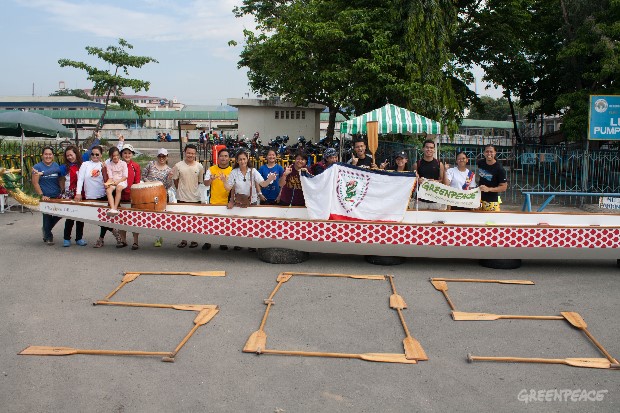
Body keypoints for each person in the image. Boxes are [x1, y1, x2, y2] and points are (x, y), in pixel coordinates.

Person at [225, 150, 276, 251]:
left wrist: (269, 179)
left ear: (247, 159)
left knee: (252, 224)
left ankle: (251, 245)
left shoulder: (253, 171)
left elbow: (263, 184)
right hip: (239, 202)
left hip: (252, 202)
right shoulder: (234, 172)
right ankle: (239, 243)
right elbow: (229, 188)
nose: (242, 161)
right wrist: (224, 182)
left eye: (244, 159)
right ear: (237, 161)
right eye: (240, 159)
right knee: (239, 224)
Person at [75, 146, 122, 248]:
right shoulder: (85, 164)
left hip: (102, 195)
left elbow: (114, 154)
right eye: (92, 154)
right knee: (94, 219)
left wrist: (120, 143)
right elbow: (80, 179)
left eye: (97, 154)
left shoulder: (104, 164)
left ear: (101, 155)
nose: (94, 156)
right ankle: (114, 231)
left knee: (103, 219)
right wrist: (78, 193)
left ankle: (101, 239)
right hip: (90, 196)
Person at [172, 144, 204, 248]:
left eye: (193, 153)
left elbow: (199, 181)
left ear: (195, 154)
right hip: (182, 197)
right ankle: (184, 240)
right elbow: (175, 180)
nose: (190, 155)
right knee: (183, 220)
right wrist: (181, 190)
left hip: (195, 197)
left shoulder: (199, 166)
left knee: (194, 220)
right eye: (188, 153)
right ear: (185, 153)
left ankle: (194, 240)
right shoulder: (178, 166)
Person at [202, 147, 233, 250]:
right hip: (213, 201)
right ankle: (208, 242)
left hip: (226, 202)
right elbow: (206, 183)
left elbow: (234, 187)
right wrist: (210, 180)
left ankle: (222, 242)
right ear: (218, 157)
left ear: (229, 158)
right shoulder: (211, 169)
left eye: (226, 156)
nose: (223, 158)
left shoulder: (232, 171)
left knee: (224, 224)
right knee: (210, 223)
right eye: (221, 156)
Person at [142, 148, 173, 247]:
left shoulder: (169, 170)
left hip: (160, 195)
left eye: (163, 156)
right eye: (160, 156)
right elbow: (143, 175)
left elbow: (168, 185)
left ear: (167, 157)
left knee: (159, 217)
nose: (161, 158)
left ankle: (158, 237)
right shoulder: (151, 164)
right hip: (148, 193)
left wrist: (169, 178)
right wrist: (149, 183)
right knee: (149, 215)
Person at [32, 146, 62, 245]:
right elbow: (35, 183)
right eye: (46, 154)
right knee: (47, 216)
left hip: (57, 195)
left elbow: (60, 179)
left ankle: (46, 229)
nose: (48, 156)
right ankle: (48, 237)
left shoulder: (56, 165)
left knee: (60, 214)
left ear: (53, 156)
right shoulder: (37, 167)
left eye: (50, 154)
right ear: (42, 155)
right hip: (46, 196)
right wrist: (42, 195)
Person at [58, 145, 87, 247]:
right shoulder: (64, 167)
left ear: (76, 154)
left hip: (81, 194)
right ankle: (66, 238)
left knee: (80, 218)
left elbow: (91, 151)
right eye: (67, 156)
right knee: (70, 218)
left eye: (71, 155)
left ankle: (79, 238)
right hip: (70, 195)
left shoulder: (83, 164)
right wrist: (41, 173)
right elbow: (55, 172)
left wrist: (97, 139)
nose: (70, 157)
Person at [117, 144, 141, 250]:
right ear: (121, 154)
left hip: (132, 197)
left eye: (129, 153)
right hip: (120, 196)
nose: (127, 155)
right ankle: (123, 240)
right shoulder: (117, 165)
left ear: (132, 154)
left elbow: (137, 182)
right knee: (121, 219)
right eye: (125, 153)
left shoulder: (135, 166)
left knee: (134, 220)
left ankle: (135, 242)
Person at [413, 139, 446, 210]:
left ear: (434, 150)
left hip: (435, 200)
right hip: (420, 200)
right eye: (427, 147)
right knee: (418, 217)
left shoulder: (439, 164)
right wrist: (418, 180)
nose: (429, 149)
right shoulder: (417, 164)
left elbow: (442, 180)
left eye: (431, 148)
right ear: (423, 149)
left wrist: (435, 182)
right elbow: (413, 180)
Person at [477, 144, 507, 211]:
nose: (489, 153)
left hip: (492, 201)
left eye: (491, 151)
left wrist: (488, 189)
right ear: (484, 153)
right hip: (478, 199)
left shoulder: (500, 169)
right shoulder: (480, 163)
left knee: (491, 218)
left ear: (495, 153)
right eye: (487, 151)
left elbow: (504, 187)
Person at [104, 146, 128, 217]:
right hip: (113, 182)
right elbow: (110, 177)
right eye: (113, 156)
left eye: (117, 155)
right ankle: (112, 208)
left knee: (118, 188)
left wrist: (118, 182)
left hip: (122, 181)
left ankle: (115, 208)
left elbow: (125, 176)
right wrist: (107, 183)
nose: (116, 157)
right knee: (108, 190)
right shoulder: (109, 165)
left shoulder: (123, 163)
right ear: (110, 156)